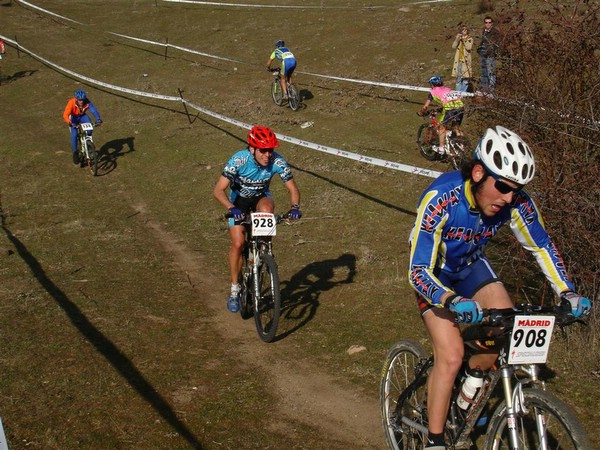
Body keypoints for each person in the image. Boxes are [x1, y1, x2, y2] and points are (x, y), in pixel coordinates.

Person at [407, 126, 592, 450]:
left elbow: (541, 246)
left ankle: (470, 390)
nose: (508, 197)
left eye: (516, 190)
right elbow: (418, 270)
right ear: (479, 173)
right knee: (451, 355)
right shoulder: (442, 198)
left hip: (471, 267)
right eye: (503, 186)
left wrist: (567, 291)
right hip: (434, 275)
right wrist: (449, 299)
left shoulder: (515, 202)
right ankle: (434, 440)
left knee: (506, 326)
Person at [213, 125, 302, 313]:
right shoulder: (239, 160)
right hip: (238, 202)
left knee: (267, 209)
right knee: (238, 243)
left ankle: (265, 251)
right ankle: (235, 289)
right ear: (252, 148)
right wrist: (232, 208)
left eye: (270, 150)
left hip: (261, 197)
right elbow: (218, 190)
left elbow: (293, 189)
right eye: (263, 150)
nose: (268, 155)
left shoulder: (277, 161)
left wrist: (294, 207)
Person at [418, 76, 465, 155]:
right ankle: (462, 146)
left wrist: (421, 112)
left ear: (432, 84)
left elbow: (425, 107)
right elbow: (450, 100)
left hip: (449, 109)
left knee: (441, 127)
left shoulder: (433, 92)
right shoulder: (448, 89)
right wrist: (439, 109)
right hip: (460, 107)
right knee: (456, 127)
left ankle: (441, 148)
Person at [62, 89, 102, 165]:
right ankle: (75, 152)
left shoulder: (87, 101)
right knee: (74, 135)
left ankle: (89, 144)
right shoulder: (71, 102)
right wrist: (70, 123)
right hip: (73, 118)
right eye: (80, 100)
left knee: (90, 128)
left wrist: (98, 119)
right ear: (76, 99)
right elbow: (65, 114)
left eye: (83, 100)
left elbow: (93, 110)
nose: (81, 102)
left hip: (82, 116)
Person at [477, 16, 500, 93]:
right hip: (482, 54)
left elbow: (495, 45)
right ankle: (484, 89)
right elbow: (482, 42)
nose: (488, 24)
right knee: (484, 72)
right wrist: (479, 49)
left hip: (490, 55)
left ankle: (491, 90)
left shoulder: (495, 32)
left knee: (491, 72)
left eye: (489, 22)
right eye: (486, 22)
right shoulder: (484, 31)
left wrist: (488, 52)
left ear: (492, 23)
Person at [452, 24, 473, 92]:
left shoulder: (470, 39)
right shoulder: (459, 39)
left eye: (465, 30)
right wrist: (457, 39)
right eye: (462, 30)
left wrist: (464, 39)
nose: (463, 31)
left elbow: (469, 47)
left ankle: (463, 94)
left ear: (467, 31)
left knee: (465, 79)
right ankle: (458, 93)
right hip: (459, 62)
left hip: (466, 62)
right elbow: (453, 46)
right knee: (458, 79)